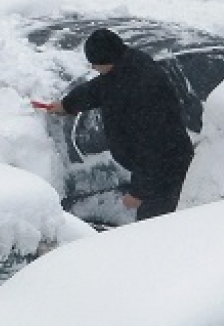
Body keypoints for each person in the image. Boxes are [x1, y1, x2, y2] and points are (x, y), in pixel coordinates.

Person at [34, 28, 194, 221]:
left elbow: (152, 145)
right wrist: (67, 105)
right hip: (157, 165)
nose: (93, 67)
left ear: (107, 59)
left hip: (167, 169)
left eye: (95, 63)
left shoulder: (143, 90)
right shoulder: (124, 68)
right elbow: (99, 89)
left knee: (153, 226)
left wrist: (139, 192)